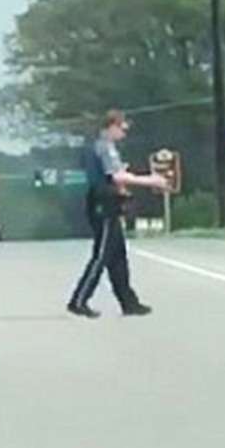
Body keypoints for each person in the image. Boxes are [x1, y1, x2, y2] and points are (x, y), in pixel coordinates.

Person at [67, 110, 169, 318]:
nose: (124, 133)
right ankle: (79, 300)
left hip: (108, 203)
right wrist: (151, 180)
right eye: (122, 128)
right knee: (102, 255)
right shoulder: (105, 147)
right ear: (111, 126)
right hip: (103, 204)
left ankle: (128, 302)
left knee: (118, 256)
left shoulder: (101, 147)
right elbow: (116, 176)